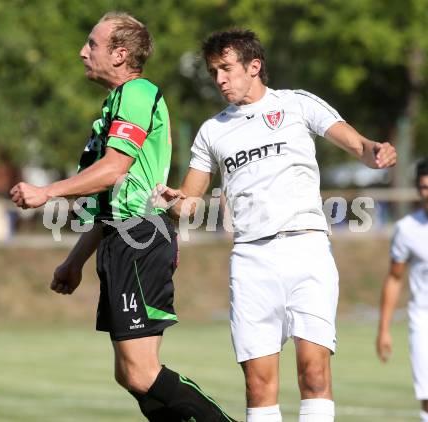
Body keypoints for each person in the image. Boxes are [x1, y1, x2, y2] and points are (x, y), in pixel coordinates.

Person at [153, 29, 397, 422]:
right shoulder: (212, 130)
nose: (219, 79)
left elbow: (358, 146)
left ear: (254, 66)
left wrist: (376, 152)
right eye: (214, 71)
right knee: (258, 386)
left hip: (307, 250)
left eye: (227, 68)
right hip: (251, 259)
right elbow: (191, 201)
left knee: (314, 373)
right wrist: (174, 203)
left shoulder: (296, 104)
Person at [10, 12, 238, 422]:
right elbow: (113, 198)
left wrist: (47, 191)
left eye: (92, 45)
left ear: (119, 54)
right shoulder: (115, 102)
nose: (83, 52)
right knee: (130, 374)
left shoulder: (138, 92)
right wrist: (74, 261)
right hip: (122, 238)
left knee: (141, 370)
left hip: (141, 238)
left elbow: (113, 169)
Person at [376, 158, 428, 422]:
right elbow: (394, 278)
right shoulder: (407, 229)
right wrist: (384, 329)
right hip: (422, 320)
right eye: (424, 187)